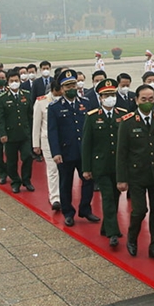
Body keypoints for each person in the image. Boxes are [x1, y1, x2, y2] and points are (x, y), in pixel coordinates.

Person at [116, 83, 154, 262]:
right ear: (136, 100)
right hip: (136, 174)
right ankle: (132, 238)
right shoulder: (128, 121)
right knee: (139, 210)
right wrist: (121, 179)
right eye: (144, 99)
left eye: (151, 99)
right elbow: (121, 152)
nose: (148, 102)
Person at [48, 70, 98, 227]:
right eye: (68, 86)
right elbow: (52, 132)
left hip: (84, 151)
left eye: (73, 85)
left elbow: (91, 129)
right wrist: (56, 152)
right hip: (66, 152)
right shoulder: (55, 107)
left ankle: (85, 209)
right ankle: (68, 212)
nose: (72, 88)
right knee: (66, 184)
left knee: (88, 180)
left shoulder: (86, 103)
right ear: (62, 89)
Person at [82, 78, 128, 246]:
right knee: (107, 197)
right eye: (106, 95)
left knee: (115, 198)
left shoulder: (122, 115)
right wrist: (86, 168)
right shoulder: (93, 117)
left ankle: (106, 227)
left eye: (112, 94)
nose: (110, 98)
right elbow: (86, 144)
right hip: (100, 165)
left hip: (118, 166)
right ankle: (113, 233)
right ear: (100, 98)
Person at [0, 69, 35, 194]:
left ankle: (26, 180)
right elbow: (0, 119)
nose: (14, 83)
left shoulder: (26, 94)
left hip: (25, 134)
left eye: (16, 81)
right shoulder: (2, 98)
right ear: (7, 82)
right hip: (10, 135)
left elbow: (30, 115)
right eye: (12, 81)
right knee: (11, 161)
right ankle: (15, 181)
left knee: (28, 156)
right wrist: (2, 134)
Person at [33, 78, 62, 209]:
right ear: (54, 90)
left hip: (64, 141)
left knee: (64, 170)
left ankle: (64, 195)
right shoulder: (41, 102)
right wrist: (36, 144)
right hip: (47, 140)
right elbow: (36, 124)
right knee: (52, 169)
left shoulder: (65, 100)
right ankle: (55, 197)